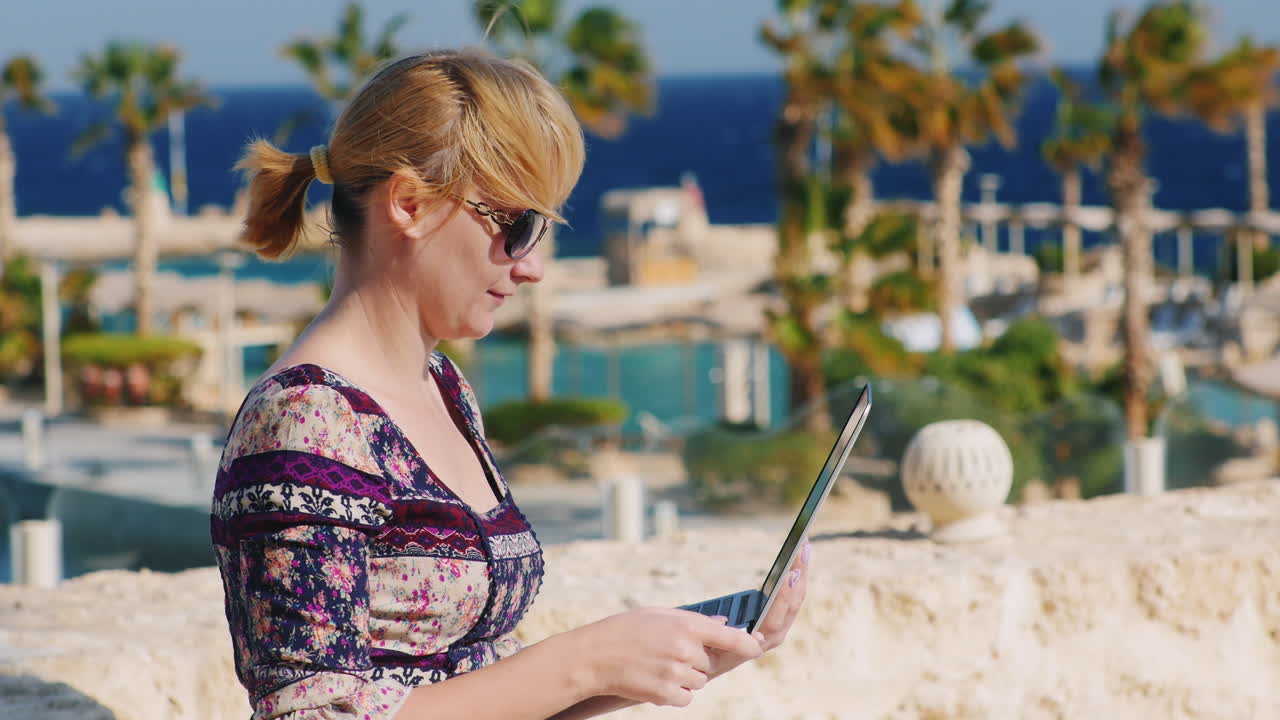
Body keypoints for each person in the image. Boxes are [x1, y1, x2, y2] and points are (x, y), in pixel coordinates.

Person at [212, 48, 811, 720]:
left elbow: (472, 686)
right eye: (517, 225)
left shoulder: (443, 390)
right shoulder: (306, 422)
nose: (533, 269)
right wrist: (587, 659)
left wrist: (660, 656)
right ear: (408, 203)